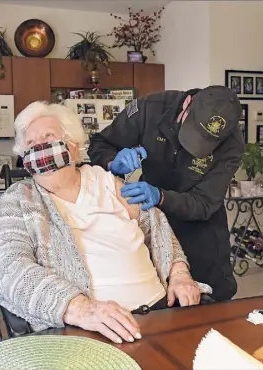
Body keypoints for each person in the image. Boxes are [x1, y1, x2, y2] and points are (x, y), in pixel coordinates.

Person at [0, 101, 212, 345]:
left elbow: (160, 233)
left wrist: (180, 274)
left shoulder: (108, 183)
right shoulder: (20, 199)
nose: (40, 148)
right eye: (31, 144)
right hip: (87, 332)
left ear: (73, 148)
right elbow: (9, 269)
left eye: (48, 136)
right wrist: (81, 309)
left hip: (159, 314)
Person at [87, 86, 244, 302]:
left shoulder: (232, 144)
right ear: (187, 103)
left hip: (199, 227)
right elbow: (100, 143)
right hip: (152, 221)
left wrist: (161, 196)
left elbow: (205, 203)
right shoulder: (150, 109)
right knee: (157, 296)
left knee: (211, 300)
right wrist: (113, 162)